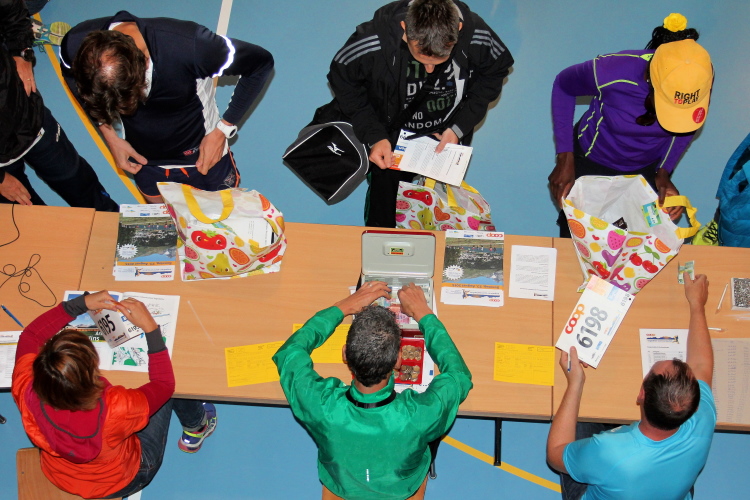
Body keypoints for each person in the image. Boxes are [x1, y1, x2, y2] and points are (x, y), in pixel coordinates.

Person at [314, 0, 513, 227]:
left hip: (445, 135)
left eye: (440, 59)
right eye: (422, 58)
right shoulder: (372, 40)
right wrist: (374, 135)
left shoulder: (477, 34)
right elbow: (344, 84)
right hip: (390, 135)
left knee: (438, 213)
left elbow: (496, 71)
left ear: (458, 29)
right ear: (405, 29)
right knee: (385, 211)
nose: (430, 69)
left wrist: (459, 126)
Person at [273, 282, 472, 499]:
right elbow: (459, 375)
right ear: (399, 360)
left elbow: (289, 353)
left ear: (345, 354)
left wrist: (342, 307)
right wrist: (424, 314)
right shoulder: (420, 415)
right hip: (402, 487)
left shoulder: (319, 404)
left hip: (342, 484)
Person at [11, 291, 217, 498]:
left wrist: (79, 304)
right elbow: (164, 385)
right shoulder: (117, 407)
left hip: (61, 475)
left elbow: (31, 336)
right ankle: (197, 426)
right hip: (124, 477)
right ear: (92, 372)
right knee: (177, 382)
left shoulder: (25, 385)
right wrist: (150, 328)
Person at [59, 11, 274, 203]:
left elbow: (260, 64)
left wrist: (222, 131)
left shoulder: (191, 46)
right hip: (144, 161)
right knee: (168, 222)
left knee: (222, 220)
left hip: (201, 154)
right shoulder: (75, 45)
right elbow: (72, 77)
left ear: (143, 66)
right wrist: (109, 135)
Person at [547, 273, 716, 500]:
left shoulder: (607, 450)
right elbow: (702, 364)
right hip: (665, 487)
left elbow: (555, 454)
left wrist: (574, 384)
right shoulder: (702, 419)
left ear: (641, 394)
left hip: (614, 467)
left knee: (584, 414)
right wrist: (697, 305)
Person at [548, 13, 713, 237]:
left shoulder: (699, 77)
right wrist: (565, 158)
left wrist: (664, 171)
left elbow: (688, 125)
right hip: (591, 159)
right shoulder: (613, 71)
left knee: (638, 241)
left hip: (646, 168)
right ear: (652, 83)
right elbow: (563, 86)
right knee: (579, 236)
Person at [0, 0, 118, 210]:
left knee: (80, 184)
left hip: (29, 118)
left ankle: (111, 219)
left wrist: (22, 52)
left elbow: (13, 11)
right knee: (28, 220)